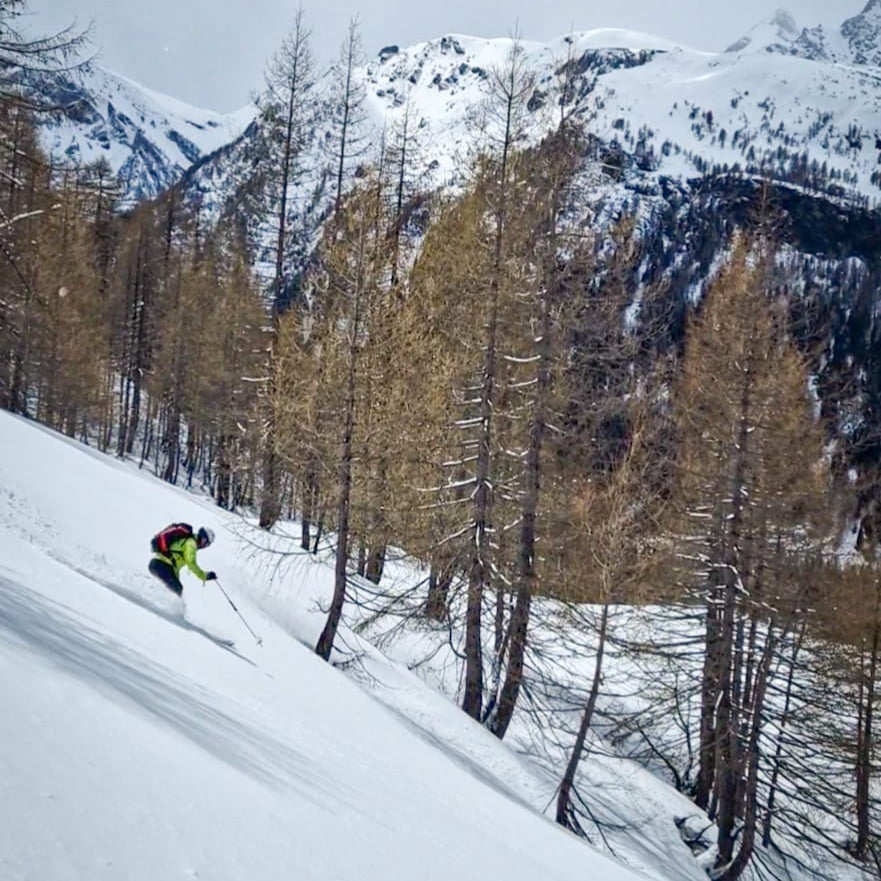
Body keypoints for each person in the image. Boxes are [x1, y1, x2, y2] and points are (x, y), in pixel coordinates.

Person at [149, 525, 217, 597]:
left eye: (208, 544)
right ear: (202, 537)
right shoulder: (191, 543)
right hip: (162, 565)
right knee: (177, 589)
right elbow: (190, 562)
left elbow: (175, 565)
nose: (205, 546)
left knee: (172, 589)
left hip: (159, 565)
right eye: (206, 542)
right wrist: (204, 576)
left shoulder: (188, 541)